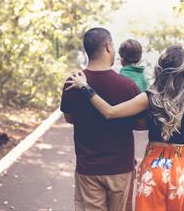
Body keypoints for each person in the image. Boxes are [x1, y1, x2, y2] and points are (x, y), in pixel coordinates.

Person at [66, 45, 184, 211]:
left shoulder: (150, 97)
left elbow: (109, 112)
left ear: (160, 68)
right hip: (181, 169)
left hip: (155, 168)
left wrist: (85, 87)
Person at [60, 27, 145, 211]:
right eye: (113, 45)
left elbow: (69, 118)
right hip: (121, 168)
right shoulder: (127, 86)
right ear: (107, 46)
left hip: (88, 168)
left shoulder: (72, 82)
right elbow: (140, 124)